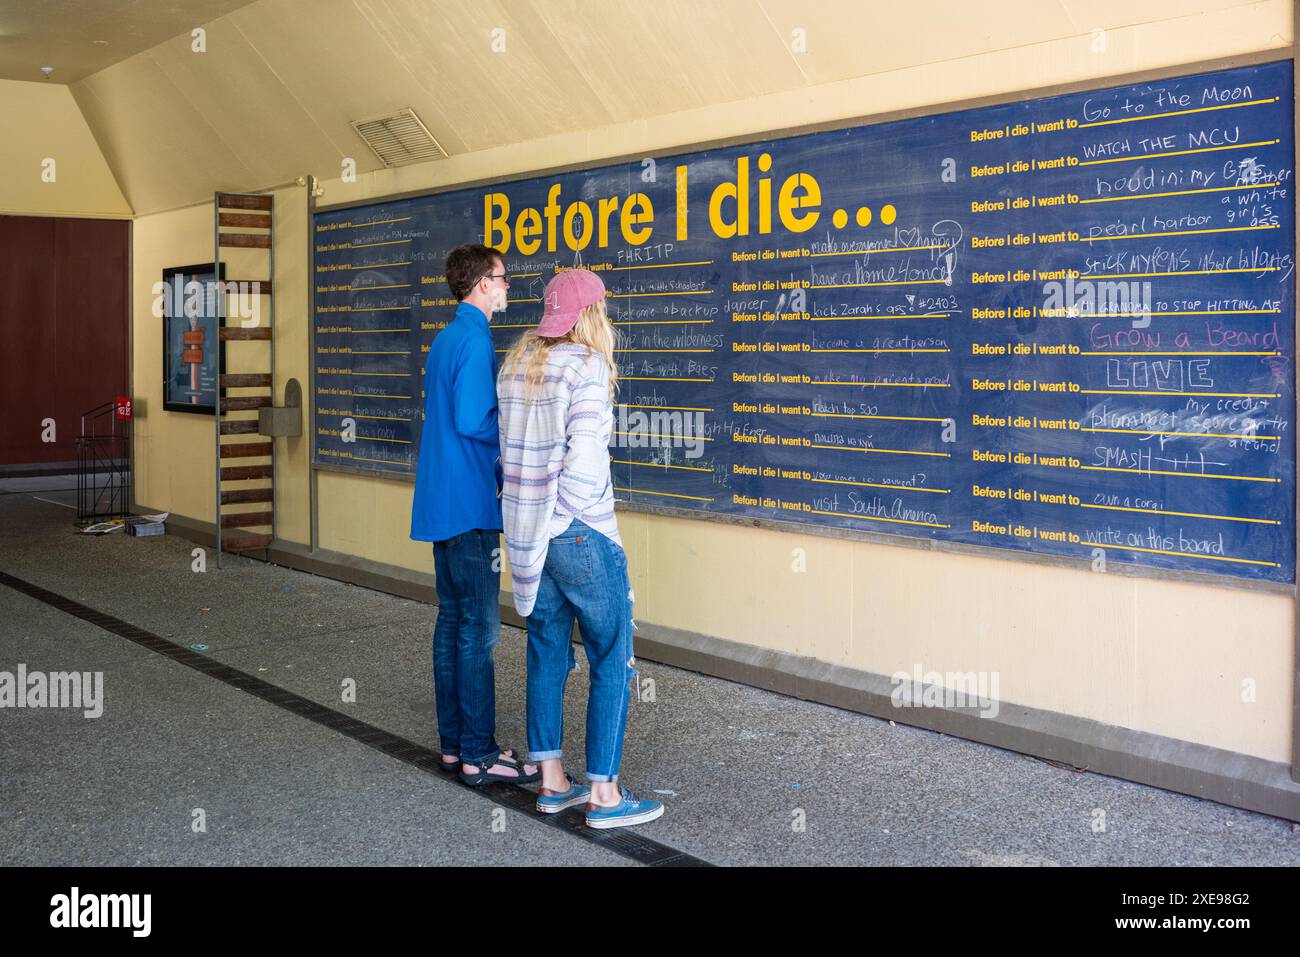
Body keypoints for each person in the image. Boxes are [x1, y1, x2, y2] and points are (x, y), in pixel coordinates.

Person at [497, 268, 664, 829]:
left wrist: (538, 516)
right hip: (579, 534)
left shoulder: (517, 364)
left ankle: (552, 782)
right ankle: (605, 795)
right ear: (590, 316)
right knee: (611, 659)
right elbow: (586, 460)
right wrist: (577, 518)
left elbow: (509, 456)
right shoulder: (587, 366)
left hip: (526, 536)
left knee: (546, 651)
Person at [410, 243, 538, 786]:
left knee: (451, 622)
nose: (508, 288)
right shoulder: (476, 338)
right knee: (480, 630)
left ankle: (454, 745)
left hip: (441, 501)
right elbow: (473, 419)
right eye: (504, 279)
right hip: (470, 507)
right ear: (483, 283)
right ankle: (480, 752)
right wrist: (516, 433)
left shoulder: (445, 338)